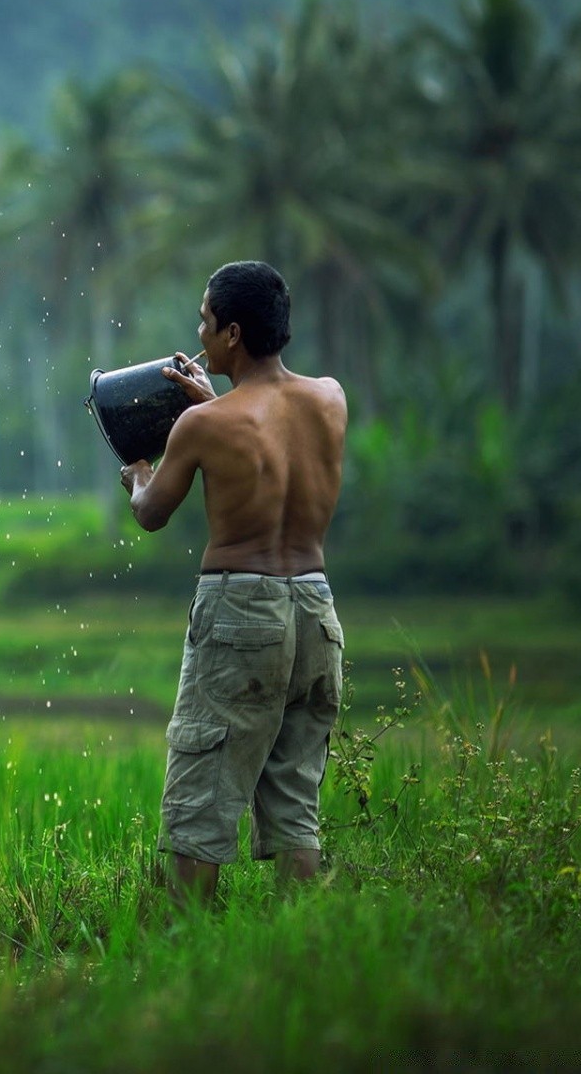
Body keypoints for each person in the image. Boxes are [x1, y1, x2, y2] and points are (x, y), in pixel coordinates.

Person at [119, 260, 348, 908]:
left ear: (233, 335)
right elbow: (266, 433)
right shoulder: (330, 399)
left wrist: (138, 472)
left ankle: (189, 944)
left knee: (202, 794)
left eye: (205, 321)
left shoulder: (201, 427)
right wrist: (217, 402)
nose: (199, 332)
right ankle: (298, 944)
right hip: (316, 609)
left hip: (240, 609)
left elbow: (152, 512)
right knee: (295, 801)